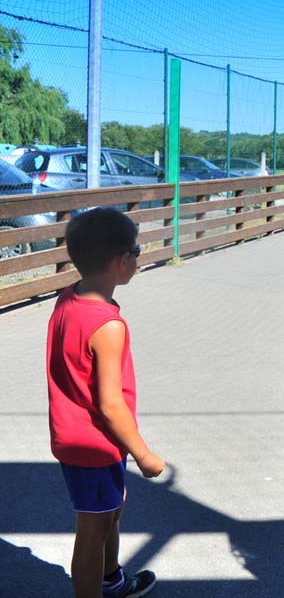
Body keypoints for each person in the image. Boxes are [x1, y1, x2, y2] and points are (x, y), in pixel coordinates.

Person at [46, 207, 164, 598]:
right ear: (121, 262)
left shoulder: (69, 299)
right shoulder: (108, 325)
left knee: (112, 511)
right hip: (93, 443)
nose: (138, 256)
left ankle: (111, 578)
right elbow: (111, 404)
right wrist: (144, 454)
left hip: (88, 441)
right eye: (137, 250)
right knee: (93, 532)